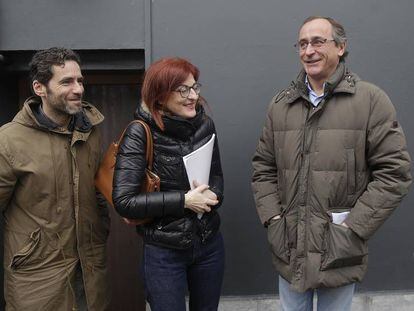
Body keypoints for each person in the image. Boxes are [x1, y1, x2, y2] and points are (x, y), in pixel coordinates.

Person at [251, 16, 411, 311]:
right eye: (302, 44)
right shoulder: (280, 104)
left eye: (317, 41)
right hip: (290, 246)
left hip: (338, 246)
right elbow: (263, 167)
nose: (308, 50)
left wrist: (352, 227)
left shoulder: (370, 100)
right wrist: (274, 220)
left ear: (340, 47)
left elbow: (395, 173)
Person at [0, 47, 110, 310]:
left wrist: (101, 227)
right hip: (37, 279)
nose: (78, 89)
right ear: (40, 87)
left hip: (89, 271)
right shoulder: (9, 140)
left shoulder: (90, 131)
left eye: (80, 80)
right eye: (66, 82)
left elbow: (96, 189)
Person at [112, 57, 225, 311]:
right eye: (182, 89)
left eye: (195, 87)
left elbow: (217, 177)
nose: (192, 96)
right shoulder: (140, 132)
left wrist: (212, 196)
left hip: (208, 244)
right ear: (160, 96)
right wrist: (186, 201)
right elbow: (125, 202)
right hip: (164, 251)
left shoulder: (205, 125)